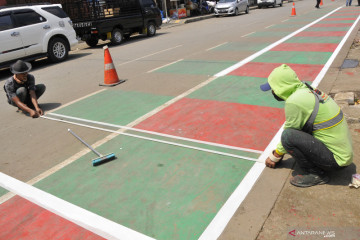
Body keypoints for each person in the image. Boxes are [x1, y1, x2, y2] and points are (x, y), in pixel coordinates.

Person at [260, 64, 353, 187]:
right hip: (344, 154)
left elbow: (290, 131)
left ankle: (316, 174)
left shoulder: (295, 101)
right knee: (301, 128)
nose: (273, 91)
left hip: (337, 161)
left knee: (288, 136)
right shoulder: (307, 89)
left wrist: (275, 156)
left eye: (273, 88)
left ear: (281, 87)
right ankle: (319, 163)